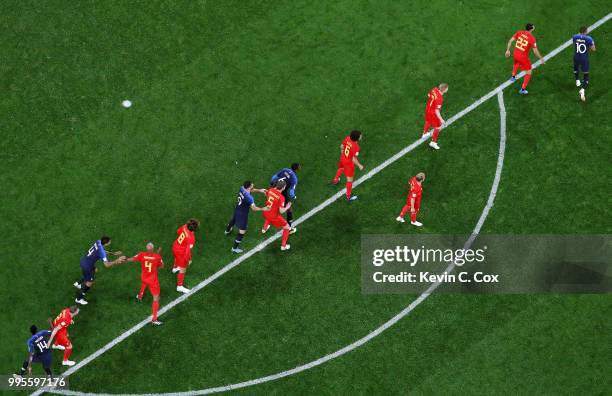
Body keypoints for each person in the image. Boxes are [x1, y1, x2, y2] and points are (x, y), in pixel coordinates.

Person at [74, 236, 126, 305]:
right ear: (106, 243)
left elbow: (101, 250)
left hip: (84, 260)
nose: (110, 242)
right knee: (89, 283)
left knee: (94, 270)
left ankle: (77, 284)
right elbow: (107, 265)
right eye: (109, 241)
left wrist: (113, 253)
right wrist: (117, 260)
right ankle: (79, 299)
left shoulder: (98, 241)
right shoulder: (102, 252)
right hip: (88, 266)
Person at [225, 181, 269, 253]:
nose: (253, 185)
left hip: (238, 208)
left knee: (233, 220)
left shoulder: (242, 188)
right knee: (242, 231)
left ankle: (227, 231)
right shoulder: (250, 198)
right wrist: (263, 208)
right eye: (252, 185)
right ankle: (234, 248)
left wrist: (259, 190)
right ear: (249, 187)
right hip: (242, 214)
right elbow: (254, 208)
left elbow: (251, 190)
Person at [127, 242, 164, 325]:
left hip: (144, 277)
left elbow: (132, 259)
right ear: (153, 249)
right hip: (153, 281)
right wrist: (159, 255)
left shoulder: (142, 254)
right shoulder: (157, 257)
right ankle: (154, 319)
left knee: (144, 283)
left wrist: (124, 260)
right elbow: (161, 266)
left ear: (146, 249)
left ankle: (140, 296)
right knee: (156, 298)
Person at [505, 23, 545, 94]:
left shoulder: (519, 32)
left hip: (515, 53)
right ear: (532, 29)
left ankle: (513, 76)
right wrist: (541, 58)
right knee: (529, 71)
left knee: (516, 63)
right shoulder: (532, 38)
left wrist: (508, 50)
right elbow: (535, 51)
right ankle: (523, 89)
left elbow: (510, 41)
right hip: (523, 57)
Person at [261, 179, 293, 251]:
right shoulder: (282, 198)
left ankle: (264, 229)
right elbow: (281, 211)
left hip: (265, 212)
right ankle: (283, 246)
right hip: (273, 217)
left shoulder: (271, 190)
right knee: (287, 227)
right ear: (283, 188)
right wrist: (287, 207)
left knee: (269, 215)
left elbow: (266, 192)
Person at [332, 130, 364, 201]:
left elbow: (341, 146)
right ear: (357, 138)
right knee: (350, 180)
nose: (361, 136)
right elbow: (353, 158)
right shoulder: (356, 147)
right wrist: (359, 165)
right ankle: (348, 196)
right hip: (349, 163)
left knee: (341, 167)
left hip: (343, 157)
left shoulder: (347, 138)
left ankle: (335, 180)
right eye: (360, 136)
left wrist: (343, 153)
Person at [171, 219, 200, 293]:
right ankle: (179, 286)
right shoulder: (191, 238)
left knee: (176, 257)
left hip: (175, 246)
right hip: (181, 252)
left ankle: (174, 268)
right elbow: (187, 252)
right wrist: (189, 259)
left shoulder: (184, 226)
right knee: (183, 269)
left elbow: (178, 232)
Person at [572, 26, 596, 101]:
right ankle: (582, 90)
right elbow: (593, 49)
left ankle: (577, 81)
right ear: (586, 31)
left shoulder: (574, 37)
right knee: (586, 75)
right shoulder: (589, 39)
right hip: (584, 59)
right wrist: (592, 43)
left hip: (576, 57)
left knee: (576, 68)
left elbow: (576, 41)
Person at [423, 83, 448, 150]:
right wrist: (441, 119)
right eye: (447, 88)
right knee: (438, 127)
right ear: (444, 90)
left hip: (428, 109)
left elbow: (429, 95)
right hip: (433, 113)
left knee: (427, 120)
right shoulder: (440, 99)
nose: (447, 89)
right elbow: (437, 111)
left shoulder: (434, 89)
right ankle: (433, 143)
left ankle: (425, 133)